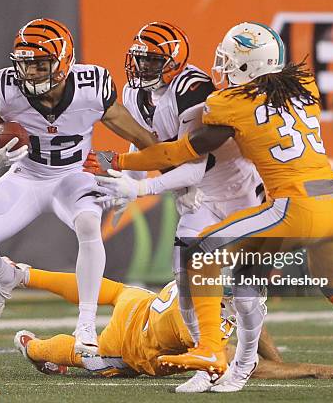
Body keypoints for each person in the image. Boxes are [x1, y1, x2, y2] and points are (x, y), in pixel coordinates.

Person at [85, 22, 333, 393]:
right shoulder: (303, 89)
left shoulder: (231, 103)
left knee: (202, 253)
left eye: (228, 59)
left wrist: (120, 161)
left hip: (295, 206)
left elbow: (178, 152)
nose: (219, 65)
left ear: (246, 66)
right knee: (331, 284)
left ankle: (209, 350)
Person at [0, 18, 156, 356]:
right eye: (25, 64)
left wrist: (146, 178)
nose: (30, 73)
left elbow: (142, 138)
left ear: (63, 63)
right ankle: (5, 276)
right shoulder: (7, 89)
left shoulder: (93, 87)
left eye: (40, 64)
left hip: (73, 176)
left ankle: (86, 323)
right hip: (27, 175)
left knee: (89, 224)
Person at [89, 21, 263, 391]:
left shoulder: (193, 90)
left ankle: (245, 363)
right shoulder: (137, 94)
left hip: (239, 195)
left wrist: (143, 187)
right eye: (139, 59)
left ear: (173, 62)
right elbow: (148, 145)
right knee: (184, 276)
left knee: (245, 295)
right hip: (200, 195)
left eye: (152, 60)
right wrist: (129, 184)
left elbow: (194, 163)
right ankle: (207, 361)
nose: (141, 68)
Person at [7, 265, 333, 388]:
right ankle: (31, 346)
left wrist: (281, 361)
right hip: (131, 346)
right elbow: (240, 365)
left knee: (104, 288)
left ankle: (27, 274)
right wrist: (308, 369)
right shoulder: (205, 316)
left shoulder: (210, 277)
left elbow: (251, 321)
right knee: (91, 358)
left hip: (140, 302)